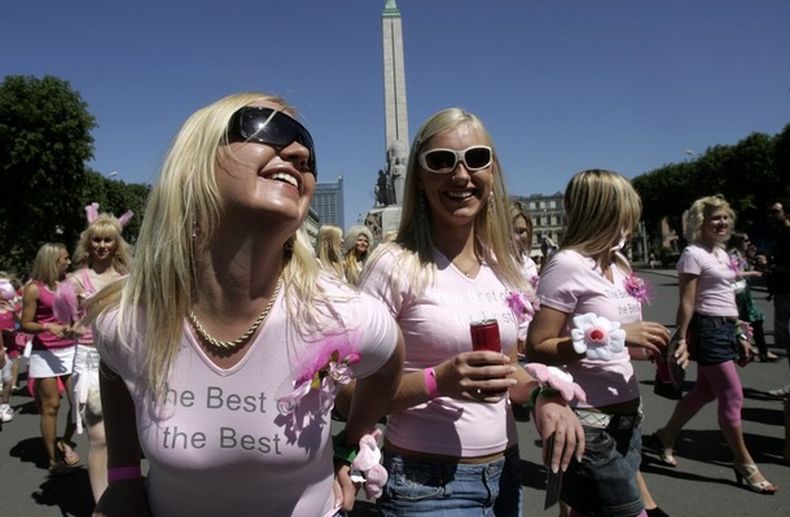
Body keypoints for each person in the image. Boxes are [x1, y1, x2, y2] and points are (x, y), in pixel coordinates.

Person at [88, 92, 404, 517]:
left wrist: (349, 446)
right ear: (195, 159)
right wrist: (123, 477)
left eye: (307, 147)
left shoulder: (341, 314)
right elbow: (113, 365)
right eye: (268, 128)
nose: (298, 152)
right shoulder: (126, 319)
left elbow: (387, 364)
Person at [358, 107, 584, 516]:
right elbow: (346, 393)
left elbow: (508, 370)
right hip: (425, 484)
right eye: (442, 162)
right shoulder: (392, 264)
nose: (461, 175)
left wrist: (540, 396)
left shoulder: (505, 267)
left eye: (476, 158)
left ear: (492, 172)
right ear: (420, 179)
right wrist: (437, 380)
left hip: (504, 475)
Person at [526, 169, 685, 517]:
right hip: (589, 424)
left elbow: (626, 345)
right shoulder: (566, 264)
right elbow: (537, 347)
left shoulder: (620, 263)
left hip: (629, 422)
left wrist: (660, 348)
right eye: (626, 209)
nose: (632, 219)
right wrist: (617, 334)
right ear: (602, 210)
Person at [651, 195, 777, 494]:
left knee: (705, 391)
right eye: (714, 218)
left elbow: (729, 295)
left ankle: (665, 436)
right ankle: (744, 463)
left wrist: (740, 331)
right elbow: (687, 300)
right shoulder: (693, 254)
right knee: (732, 395)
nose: (722, 223)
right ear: (700, 223)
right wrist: (681, 338)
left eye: (724, 218)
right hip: (707, 329)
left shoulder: (721, 254)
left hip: (727, 328)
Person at [67, 209, 132, 502]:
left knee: (124, 436)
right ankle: (102, 504)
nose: (102, 245)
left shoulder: (128, 278)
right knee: (100, 438)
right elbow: (64, 319)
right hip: (89, 361)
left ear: (116, 243)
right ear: (88, 243)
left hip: (123, 360)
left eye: (108, 240)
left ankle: (123, 495)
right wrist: (73, 323)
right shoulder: (76, 280)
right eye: (97, 240)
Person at [20, 243, 80, 473]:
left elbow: (77, 315)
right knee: (51, 406)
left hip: (71, 351)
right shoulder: (34, 289)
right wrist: (47, 326)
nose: (68, 262)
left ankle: (64, 440)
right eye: (64, 259)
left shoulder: (70, 284)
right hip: (44, 353)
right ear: (52, 261)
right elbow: (25, 324)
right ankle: (53, 460)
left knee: (79, 403)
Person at [727, 232, 777, 362]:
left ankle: (761, 352)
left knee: (755, 320)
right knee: (739, 323)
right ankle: (744, 351)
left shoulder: (740, 254)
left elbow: (744, 269)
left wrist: (751, 258)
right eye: (745, 240)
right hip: (736, 293)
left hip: (743, 291)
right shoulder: (732, 254)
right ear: (737, 241)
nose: (748, 243)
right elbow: (733, 274)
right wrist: (753, 273)